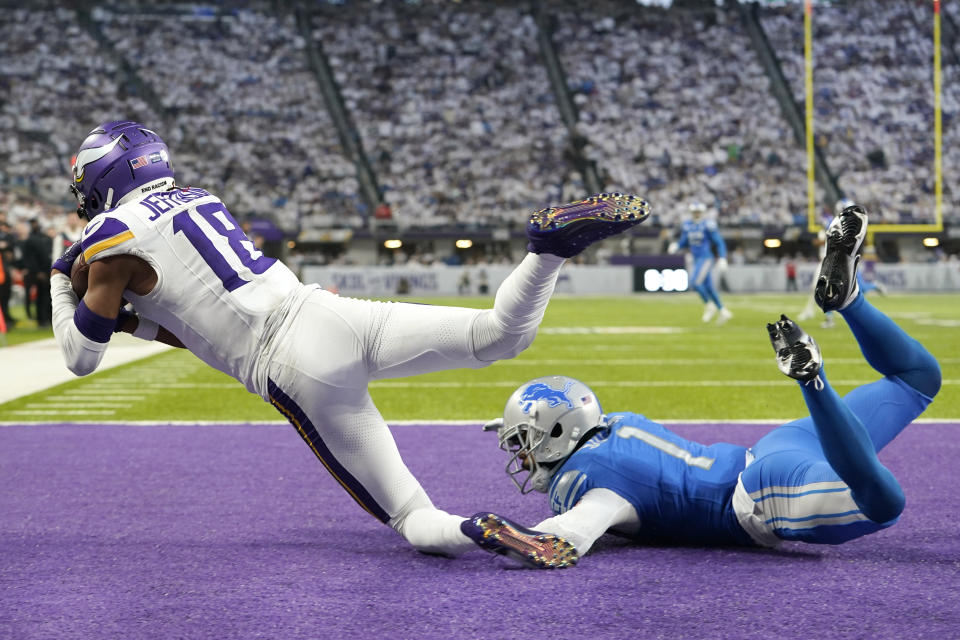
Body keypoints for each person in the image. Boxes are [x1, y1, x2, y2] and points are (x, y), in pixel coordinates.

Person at [51, 120, 651, 569]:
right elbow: (195, 323)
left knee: (415, 520)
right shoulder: (200, 198)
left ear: (104, 177)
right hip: (327, 312)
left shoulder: (108, 239)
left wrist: (60, 283)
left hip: (289, 365)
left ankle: (471, 528)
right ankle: (546, 251)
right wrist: (136, 324)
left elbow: (80, 359)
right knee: (497, 335)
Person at [485, 205, 940, 556]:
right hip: (767, 452)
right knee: (918, 377)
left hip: (757, 498)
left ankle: (812, 380)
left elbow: (566, 537)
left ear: (557, 435)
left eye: (524, 442)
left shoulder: (586, 480)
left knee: (884, 501)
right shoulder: (611, 424)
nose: (521, 458)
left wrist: (474, 531)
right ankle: (851, 300)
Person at [669, 201, 732, 324]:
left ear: (702, 213)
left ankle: (709, 305)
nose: (696, 214)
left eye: (698, 212)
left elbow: (719, 242)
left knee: (695, 282)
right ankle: (723, 311)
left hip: (706, 257)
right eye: (694, 212)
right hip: (696, 258)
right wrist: (677, 245)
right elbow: (684, 241)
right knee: (709, 287)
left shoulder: (708, 225)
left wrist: (723, 257)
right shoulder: (687, 225)